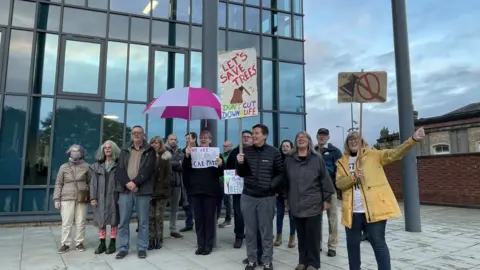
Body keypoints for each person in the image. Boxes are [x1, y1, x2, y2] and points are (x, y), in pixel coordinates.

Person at [336, 128, 425, 270]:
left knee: (378, 243)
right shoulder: (341, 162)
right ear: (347, 144)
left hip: (374, 210)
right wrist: (353, 177)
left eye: (356, 139)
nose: (353, 141)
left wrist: (413, 139)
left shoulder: (374, 155)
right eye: (350, 140)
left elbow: (395, 153)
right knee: (352, 245)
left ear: (362, 142)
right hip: (352, 212)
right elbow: (339, 184)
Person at [284, 131, 335, 270]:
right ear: (295, 142)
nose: (301, 139)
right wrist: (285, 198)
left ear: (309, 141)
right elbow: (285, 181)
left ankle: (313, 263)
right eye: (298, 138)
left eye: (304, 137)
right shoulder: (289, 159)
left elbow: (325, 179)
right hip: (296, 201)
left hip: (313, 202)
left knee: (312, 235)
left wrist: (327, 198)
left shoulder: (317, 158)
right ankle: (303, 261)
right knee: (301, 234)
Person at [236, 124, 284, 270]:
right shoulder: (246, 152)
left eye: (257, 133)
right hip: (248, 196)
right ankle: (252, 260)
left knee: (266, 231)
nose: (253, 135)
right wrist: (240, 163)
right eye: (253, 133)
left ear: (264, 135)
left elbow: (281, 173)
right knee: (250, 231)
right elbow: (242, 173)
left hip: (266, 198)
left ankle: (267, 261)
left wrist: (271, 187)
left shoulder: (274, 152)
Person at [115, 126, 156, 259]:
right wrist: (128, 183)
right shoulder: (124, 150)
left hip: (142, 191)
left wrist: (135, 182)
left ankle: (142, 247)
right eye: (134, 133)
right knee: (123, 221)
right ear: (131, 135)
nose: (136, 134)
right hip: (125, 190)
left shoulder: (150, 151)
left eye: (139, 132)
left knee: (143, 221)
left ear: (144, 134)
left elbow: (148, 170)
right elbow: (120, 169)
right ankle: (123, 247)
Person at [183, 130, 224, 255]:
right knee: (199, 219)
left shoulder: (216, 154)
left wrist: (221, 164)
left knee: (209, 219)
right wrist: (187, 156)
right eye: (201, 137)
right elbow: (185, 170)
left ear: (210, 140)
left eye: (206, 138)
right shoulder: (192, 152)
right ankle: (200, 244)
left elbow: (220, 173)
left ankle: (208, 244)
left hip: (210, 191)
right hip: (196, 191)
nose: (203, 139)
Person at [54, 144, 91, 254]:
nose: (75, 153)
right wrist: (56, 198)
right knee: (67, 222)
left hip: (82, 197)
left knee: (81, 221)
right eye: (73, 151)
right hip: (66, 197)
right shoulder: (63, 167)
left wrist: (91, 195)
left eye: (77, 151)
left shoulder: (87, 167)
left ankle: (79, 242)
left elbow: (91, 182)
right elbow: (58, 183)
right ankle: (65, 244)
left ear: (81, 153)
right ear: (69, 153)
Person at [314, 128, 342, 257]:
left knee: (332, 219)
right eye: (320, 134)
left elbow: (340, 170)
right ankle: (317, 244)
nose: (322, 137)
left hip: (330, 190)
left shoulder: (335, 151)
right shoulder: (312, 150)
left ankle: (332, 245)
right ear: (317, 136)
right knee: (316, 219)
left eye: (324, 135)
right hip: (315, 190)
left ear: (328, 137)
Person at [90, 140, 121, 255]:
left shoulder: (118, 165)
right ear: (102, 150)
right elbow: (93, 183)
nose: (107, 149)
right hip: (100, 196)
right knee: (101, 221)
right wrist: (93, 197)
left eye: (109, 147)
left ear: (113, 150)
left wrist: (121, 196)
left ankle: (112, 243)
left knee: (114, 220)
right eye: (105, 148)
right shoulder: (97, 166)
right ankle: (102, 243)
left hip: (114, 196)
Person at [148, 136, 172, 250]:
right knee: (150, 216)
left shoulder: (165, 157)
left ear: (160, 144)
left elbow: (169, 174)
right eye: (152, 143)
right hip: (149, 191)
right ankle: (151, 238)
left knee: (158, 216)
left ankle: (159, 238)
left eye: (156, 143)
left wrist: (165, 187)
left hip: (161, 191)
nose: (154, 144)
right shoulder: (147, 156)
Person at [275, 140, 297, 249]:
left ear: (291, 148)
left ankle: (292, 237)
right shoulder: (278, 160)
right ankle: (278, 235)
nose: (285, 148)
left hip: (291, 193)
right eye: (283, 146)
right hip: (279, 193)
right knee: (279, 215)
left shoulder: (294, 160)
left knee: (292, 217)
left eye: (287, 146)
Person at [164, 134, 186, 238]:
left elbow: (183, 167)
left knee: (175, 208)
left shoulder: (180, 151)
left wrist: (171, 163)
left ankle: (173, 229)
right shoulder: (163, 150)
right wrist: (177, 163)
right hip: (165, 183)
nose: (173, 141)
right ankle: (158, 229)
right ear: (167, 140)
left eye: (175, 140)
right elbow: (164, 164)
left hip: (177, 183)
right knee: (161, 207)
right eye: (171, 139)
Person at [179, 132, 198, 233]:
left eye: (189, 138)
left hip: (198, 180)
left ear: (194, 139)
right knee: (187, 203)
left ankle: (199, 222)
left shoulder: (200, 149)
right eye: (186, 139)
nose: (187, 140)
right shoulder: (183, 150)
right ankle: (189, 223)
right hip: (187, 180)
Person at [218, 140, 233, 228]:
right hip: (220, 179)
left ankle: (228, 220)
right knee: (218, 200)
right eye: (223, 146)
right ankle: (216, 218)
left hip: (228, 180)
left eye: (226, 146)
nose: (224, 147)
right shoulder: (221, 155)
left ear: (230, 147)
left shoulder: (232, 155)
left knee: (227, 201)